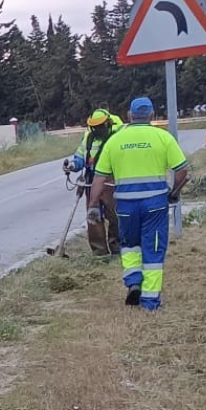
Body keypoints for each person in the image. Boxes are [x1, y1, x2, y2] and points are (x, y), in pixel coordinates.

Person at [89, 97, 188, 312]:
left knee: (129, 244)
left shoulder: (114, 141)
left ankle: (133, 281)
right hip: (154, 204)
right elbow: (182, 170)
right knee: (152, 250)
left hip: (125, 206)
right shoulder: (163, 137)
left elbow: (98, 178)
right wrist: (174, 193)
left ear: (129, 116)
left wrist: (93, 206)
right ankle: (150, 302)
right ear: (152, 116)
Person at [65, 108, 124, 255]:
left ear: (108, 124)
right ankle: (100, 253)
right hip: (92, 182)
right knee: (93, 217)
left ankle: (117, 248)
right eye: (94, 127)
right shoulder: (89, 138)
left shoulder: (118, 137)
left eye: (100, 126)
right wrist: (73, 165)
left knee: (115, 216)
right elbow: (80, 157)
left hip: (112, 182)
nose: (97, 129)